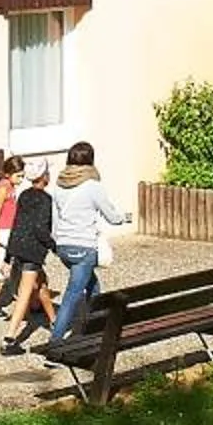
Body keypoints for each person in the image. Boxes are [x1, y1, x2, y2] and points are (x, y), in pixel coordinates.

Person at [42, 141, 132, 344]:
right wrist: (125, 218)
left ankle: (94, 326)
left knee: (92, 286)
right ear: (90, 161)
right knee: (73, 294)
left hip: (63, 247)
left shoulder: (59, 186)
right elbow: (112, 217)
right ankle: (55, 342)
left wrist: (58, 244)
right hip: (83, 248)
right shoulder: (93, 186)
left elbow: (55, 221)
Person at [0, 159, 60, 353]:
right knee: (24, 294)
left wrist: (8, 256)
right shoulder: (45, 199)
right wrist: (54, 246)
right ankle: (9, 339)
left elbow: (16, 223)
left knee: (42, 284)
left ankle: (55, 321)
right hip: (32, 250)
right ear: (45, 177)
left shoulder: (23, 195)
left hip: (18, 246)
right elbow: (40, 229)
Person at [0, 155, 29, 316]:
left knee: (11, 264)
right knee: (2, 265)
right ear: (9, 174)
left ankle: (16, 294)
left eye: (22, 175)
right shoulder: (3, 187)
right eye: (18, 176)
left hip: (9, 229)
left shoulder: (10, 186)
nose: (21, 179)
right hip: (4, 231)